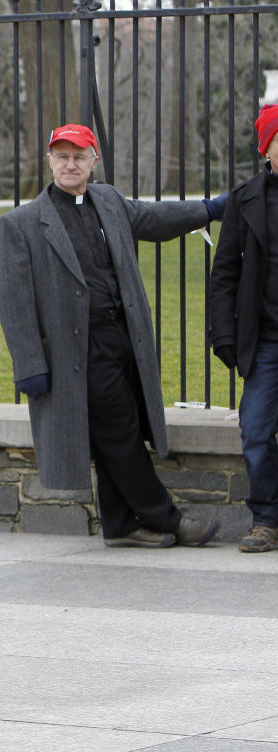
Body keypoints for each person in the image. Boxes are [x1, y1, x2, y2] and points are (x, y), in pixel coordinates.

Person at [0, 123, 226, 549]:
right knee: (119, 430)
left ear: (92, 160)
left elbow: (155, 219)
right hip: (78, 352)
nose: (70, 164)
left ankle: (120, 523)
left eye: (79, 156)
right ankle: (169, 519)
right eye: (62, 156)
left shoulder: (107, 200)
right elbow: (13, 303)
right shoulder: (22, 224)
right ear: (49, 160)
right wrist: (29, 366)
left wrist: (210, 209)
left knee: (122, 428)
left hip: (125, 339)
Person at [210, 104, 278, 553]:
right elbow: (224, 276)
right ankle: (266, 519)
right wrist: (225, 335)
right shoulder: (245, 199)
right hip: (267, 341)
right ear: (267, 147)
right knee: (255, 432)